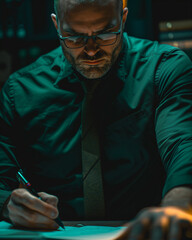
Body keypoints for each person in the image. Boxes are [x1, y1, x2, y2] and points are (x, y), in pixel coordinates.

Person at [0, 0, 192, 239]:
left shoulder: (163, 69)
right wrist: (9, 204)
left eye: (104, 33)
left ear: (123, 19)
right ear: (56, 24)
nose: (91, 50)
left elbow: (182, 142)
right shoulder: (19, 92)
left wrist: (180, 199)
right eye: (73, 36)